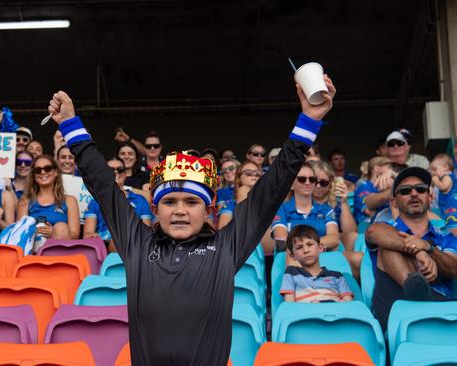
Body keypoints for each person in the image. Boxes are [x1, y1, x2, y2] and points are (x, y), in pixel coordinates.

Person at [46, 72, 335, 365]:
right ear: (155, 209)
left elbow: (271, 189)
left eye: (192, 202)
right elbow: (103, 185)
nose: (180, 210)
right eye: (169, 202)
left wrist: (309, 120)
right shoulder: (138, 245)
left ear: (209, 209)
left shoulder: (226, 248)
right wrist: (71, 125)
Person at [366, 167, 457, 330]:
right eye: (406, 191)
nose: (414, 194)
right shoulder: (385, 229)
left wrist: (430, 248)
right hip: (396, 311)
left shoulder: (445, 237)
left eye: (421, 189)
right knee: (388, 246)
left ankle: (422, 298)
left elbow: (452, 269)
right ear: (394, 202)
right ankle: (417, 293)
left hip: (442, 313)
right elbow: (373, 231)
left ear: (430, 197)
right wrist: (419, 250)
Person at [84, 157, 153, 250]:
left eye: (120, 170)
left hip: (133, 246)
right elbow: (87, 234)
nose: (116, 173)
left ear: (125, 174)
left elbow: (146, 232)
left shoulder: (140, 201)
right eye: (110, 170)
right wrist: (93, 236)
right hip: (102, 247)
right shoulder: (95, 201)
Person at [271, 163, 340, 255]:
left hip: (322, 261)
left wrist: (305, 246)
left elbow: (334, 239)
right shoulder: (281, 209)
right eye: (302, 179)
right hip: (292, 260)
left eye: (312, 179)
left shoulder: (326, 209)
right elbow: (282, 241)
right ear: (291, 185)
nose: (307, 183)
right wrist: (313, 246)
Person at [280, 224, 353, 303]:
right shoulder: (291, 273)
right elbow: (289, 306)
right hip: (306, 314)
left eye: (310, 244)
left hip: (336, 314)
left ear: (320, 248)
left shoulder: (337, 276)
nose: (306, 250)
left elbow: (349, 304)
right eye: (299, 247)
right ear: (292, 255)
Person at [16, 155, 80, 243]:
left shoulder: (70, 200)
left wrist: (55, 233)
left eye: (47, 168)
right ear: (34, 175)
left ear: (56, 172)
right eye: (38, 170)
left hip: (60, 250)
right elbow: (20, 234)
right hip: (33, 249)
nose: (42, 172)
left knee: (60, 227)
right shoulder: (25, 201)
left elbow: (75, 234)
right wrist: (36, 231)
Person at [310, 161, 358, 250]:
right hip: (308, 243)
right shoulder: (302, 200)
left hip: (333, 245)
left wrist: (344, 202)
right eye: (314, 181)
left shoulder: (337, 200)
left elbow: (351, 232)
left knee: (353, 237)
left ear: (331, 182)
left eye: (323, 182)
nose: (318, 186)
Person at [217, 160, 261, 230]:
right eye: (248, 172)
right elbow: (222, 233)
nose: (254, 174)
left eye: (258, 173)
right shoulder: (229, 203)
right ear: (239, 177)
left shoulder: (269, 201)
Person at [353, 157, 393, 224]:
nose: (392, 170)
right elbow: (368, 211)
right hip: (366, 225)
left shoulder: (386, 185)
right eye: (389, 166)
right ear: (376, 168)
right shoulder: (364, 185)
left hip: (387, 221)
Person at [430, 153, 457, 220]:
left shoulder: (447, 176)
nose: (433, 172)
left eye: (435, 169)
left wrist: (435, 181)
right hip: (444, 205)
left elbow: (444, 187)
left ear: (445, 167)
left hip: (450, 205)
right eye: (432, 170)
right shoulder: (442, 178)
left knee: (450, 218)